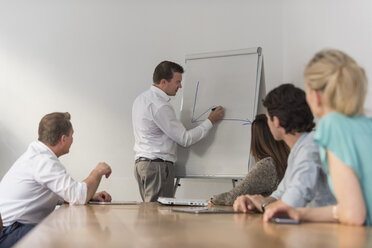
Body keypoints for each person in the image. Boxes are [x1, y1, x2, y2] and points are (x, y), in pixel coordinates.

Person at [263, 50, 372, 226]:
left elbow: (353, 215)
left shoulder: (332, 125)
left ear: (316, 96)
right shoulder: (366, 123)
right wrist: (299, 213)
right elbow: (347, 208)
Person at [0, 112, 112, 247]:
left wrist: (91, 196)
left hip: (13, 227)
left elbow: (58, 193)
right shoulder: (43, 161)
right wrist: (98, 171)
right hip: (10, 231)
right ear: (63, 139)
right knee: (60, 235)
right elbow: (78, 196)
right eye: (72, 135)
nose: (73, 139)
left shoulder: (37, 155)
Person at [233, 84, 336, 213]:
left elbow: (292, 202)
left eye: (268, 119)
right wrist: (253, 202)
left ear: (276, 121)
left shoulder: (310, 148)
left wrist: (263, 206)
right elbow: (280, 195)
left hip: (324, 229)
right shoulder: (298, 149)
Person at [132, 61, 224, 202]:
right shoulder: (160, 106)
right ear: (163, 82)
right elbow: (185, 139)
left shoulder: (141, 99)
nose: (180, 86)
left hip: (143, 165)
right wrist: (210, 121)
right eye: (177, 82)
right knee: (159, 219)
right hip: (157, 167)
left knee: (151, 217)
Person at [210, 114, 290, 206]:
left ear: (256, 139)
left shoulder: (267, 165)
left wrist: (214, 199)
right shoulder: (286, 160)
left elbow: (233, 197)